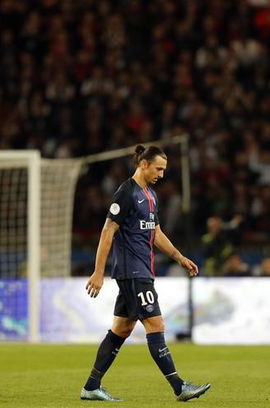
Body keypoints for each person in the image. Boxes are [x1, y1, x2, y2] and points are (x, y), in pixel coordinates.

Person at [81, 145, 211, 402]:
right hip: (132, 272)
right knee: (156, 324)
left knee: (121, 329)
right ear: (143, 164)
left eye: (164, 170)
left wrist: (179, 257)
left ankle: (91, 386)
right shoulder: (126, 193)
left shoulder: (151, 195)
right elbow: (108, 231)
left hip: (142, 270)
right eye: (158, 169)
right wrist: (98, 272)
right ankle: (179, 387)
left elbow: (156, 233)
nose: (162, 174)